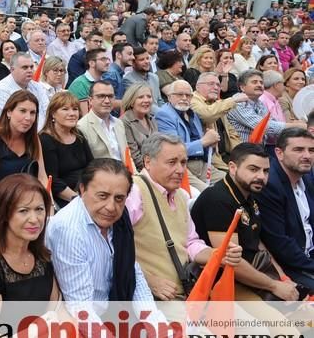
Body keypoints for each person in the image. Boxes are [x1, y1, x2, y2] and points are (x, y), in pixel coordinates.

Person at [126, 134, 243, 301]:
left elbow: (190, 243)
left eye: (183, 162)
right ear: (147, 162)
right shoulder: (134, 191)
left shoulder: (181, 195)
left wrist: (219, 255)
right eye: (171, 162)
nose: (180, 170)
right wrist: (146, 280)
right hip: (152, 298)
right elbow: (113, 247)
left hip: (188, 292)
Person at [191, 142, 302, 302]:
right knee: (279, 324)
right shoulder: (217, 199)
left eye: (266, 171)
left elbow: (258, 244)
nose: (261, 176)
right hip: (223, 280)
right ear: (232, 167)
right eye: (253, 169)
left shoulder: (249, 193)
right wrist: (274, 285)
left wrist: (282, 277)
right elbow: (231, 262)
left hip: (255, 273)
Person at [48, 158, 154, 304]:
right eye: (102, 196)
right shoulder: (68, 230)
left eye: (119, 198)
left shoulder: (121, 218)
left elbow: (133, 274)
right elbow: (81, 309)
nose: (111, 207)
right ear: (82, 189)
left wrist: (154, 321)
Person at [0, 173, 58, 301]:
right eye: (23, 211)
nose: (34, 219)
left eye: (39, 209)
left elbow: (55, 308)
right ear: (3, 214)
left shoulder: (42, 256)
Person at [256, 128, 314, 294]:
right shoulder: (270, 185)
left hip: (307, 257)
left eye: (311, 150)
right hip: (287, 267)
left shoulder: (307, 178)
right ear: (279, 153)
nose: (307, 156)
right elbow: (279, 244)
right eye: (298, 150)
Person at [156, 79, 224, 189]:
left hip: (203, 165)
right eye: (179, 94)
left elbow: (204, 143)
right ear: (169, 97)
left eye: (188, 95)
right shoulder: (164, 115)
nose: (184, 98)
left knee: (233, 182)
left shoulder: (192, 113)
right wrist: (204, 141)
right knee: (209, 193)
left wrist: (211, 142)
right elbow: (173, 149)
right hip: (182, 167)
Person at [0, 90, 47, 184]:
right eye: (23, 111)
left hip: (32, 195)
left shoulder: (33, 139)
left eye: (32, 113)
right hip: (2, 197)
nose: (28, 118)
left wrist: (48, 198)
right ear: (9, 112)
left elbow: (42, 177)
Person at [39, 92, 94, 208]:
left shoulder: (79, 135)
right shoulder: (45, 140)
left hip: (87, 191)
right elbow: (52, 181)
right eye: (65, 109)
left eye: (75, 109)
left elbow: (92, 166)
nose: (72, 114)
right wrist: (79, 200)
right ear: (53, 113)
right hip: (66, 199)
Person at [0, 53, 50, 131]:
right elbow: (7, 121)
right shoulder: (0, 90)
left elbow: (47, 112)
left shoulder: (38, 86)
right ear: (12, 69)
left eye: (31, 67)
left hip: (41, 134)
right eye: (25, 67)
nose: (30, 70)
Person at [227, 69, 288, 146]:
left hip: (259, 149)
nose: (259, 85)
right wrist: (294, 126)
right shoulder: (237, 103)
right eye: (254, 82)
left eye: (261, 82)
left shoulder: (259, 103)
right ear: (242, 87)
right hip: (243, 152)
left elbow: (273, 121)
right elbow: (262, 126)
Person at [77, 81, 130, 162]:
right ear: (90, 100)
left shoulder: (119, 123)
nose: (107, 101)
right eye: (101, 96)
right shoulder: (81, 127)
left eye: (110, 96)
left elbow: (127, 156)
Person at [121, 83, 159, 172]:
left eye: (149, 97)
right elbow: (134, 157)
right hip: (141, 171)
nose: (146, 100)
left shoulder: (151, 118)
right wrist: (157, 170)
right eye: (141, 97)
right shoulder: (125, 122)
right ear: (131, 101)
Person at [68, 47, 111, 114]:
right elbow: (85, 116)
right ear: (91, 63)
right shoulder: (80, 84)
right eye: (103, 59)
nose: (108, 62)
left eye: (108, 59)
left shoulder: (104, 82)